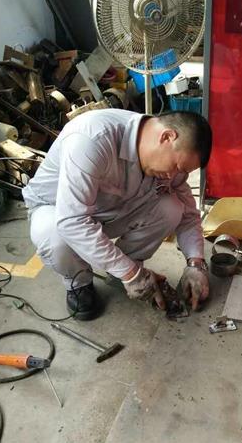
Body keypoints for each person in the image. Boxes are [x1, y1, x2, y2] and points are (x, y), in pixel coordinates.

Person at [22, 108, 212, 320]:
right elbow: (72, 221)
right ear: (167, 137)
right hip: (57, 209)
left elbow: (189, 214)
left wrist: (196, 264)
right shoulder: (92, 138)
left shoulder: (168, 163)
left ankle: (124, 269)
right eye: (176, 166)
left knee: (172, 208)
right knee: (54, 238)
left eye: (182, 171)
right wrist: (132, 274)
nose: (173, 175)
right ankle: (79, 283)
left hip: (110, 209)